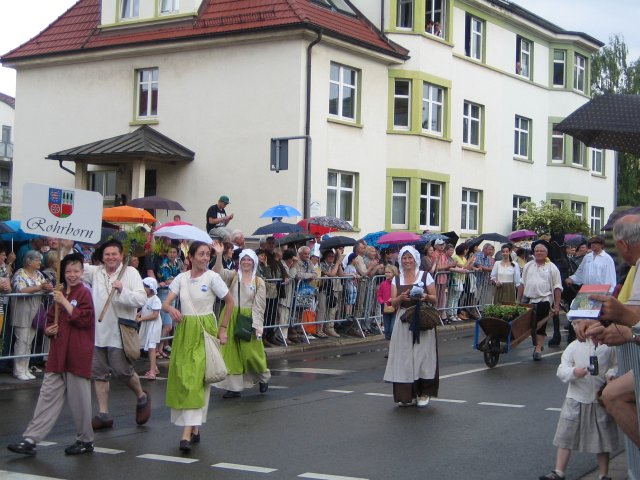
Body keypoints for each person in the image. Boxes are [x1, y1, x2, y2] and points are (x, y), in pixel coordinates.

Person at [7, 253, 95, 457]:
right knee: (47, 396)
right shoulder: (59, 292)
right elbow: (48, 320)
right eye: (68, 271)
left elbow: (85, 319)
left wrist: (64, 301)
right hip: (57, 352)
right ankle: (31, 439)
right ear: (63, 273)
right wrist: (48, 329)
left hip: (77, 352)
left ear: (82, 272)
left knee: (79, 400)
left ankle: (85, 439)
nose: (72, 275)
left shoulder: (83, 293)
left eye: (76, 271)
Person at [162, 240, 234, 453]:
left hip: (204, 329)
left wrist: (223, 328)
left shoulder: (212, 277)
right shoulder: (181, 278)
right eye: (201, 254)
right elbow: (167, 302)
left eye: (207, 254)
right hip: (185, 331)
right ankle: (194, 427)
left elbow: (229, 302)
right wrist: (170, 310)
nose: (205, 258)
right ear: (190, 257)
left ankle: (185, 435)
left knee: (195, 379)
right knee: (185, 378)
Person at [83, 239, 150, 430]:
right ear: (102, 257)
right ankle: (103, 413)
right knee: (99, 373)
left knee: (122, 371)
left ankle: (141, 395)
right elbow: (74, 267)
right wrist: (64, 246)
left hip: (120, 331)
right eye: (107, 254)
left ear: (121, 256)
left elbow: (141, 298)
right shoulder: (96, 272)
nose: (111, 257)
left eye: (114, 254)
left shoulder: (130, 272)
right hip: (98, 332)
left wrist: (122, 290)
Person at [539, 339, 617, 480]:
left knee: (602, 437)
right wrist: (573, 372)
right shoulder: (574, 346)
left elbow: (615, 365)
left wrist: (611, 374)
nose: (578, 326)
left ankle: (604, 474)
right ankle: (559, 472)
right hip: (575, 398)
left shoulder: (608, 346)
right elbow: (562, 370)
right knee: (565, 435)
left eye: (581, 323)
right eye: (575, 324)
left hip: (598, 399)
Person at [383, 246, 439, 407]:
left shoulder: (425, 276)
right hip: (404, 319)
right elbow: (392, 303)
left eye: (410, 258)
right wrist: (400, 297)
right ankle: (407, 395)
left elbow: (435, 299)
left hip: (422, 318)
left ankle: (424, 393)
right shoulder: (397, 279)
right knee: (404, 358)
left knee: (422, 356)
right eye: (404, 258)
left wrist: (425, 295)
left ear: (415, 259)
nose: (407, 261)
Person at [213, 247, 271, 398]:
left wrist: (258, 326)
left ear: (254, 263)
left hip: (247, 319)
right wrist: (219, 255)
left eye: (249, 260)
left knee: (251, 353)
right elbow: (218, 273)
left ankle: (263, 378)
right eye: (243, 259)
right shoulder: (232, 275)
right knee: (230, 354)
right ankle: (234, 388)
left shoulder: (259, 282)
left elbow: (259, 305)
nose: (246, 262)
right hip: (230, 316)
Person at [11, 250, 54, 380]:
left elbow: (45, 286)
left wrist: (47, 287)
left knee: (29, 341)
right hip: (23, 310)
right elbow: (20, 289)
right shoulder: (20, 273)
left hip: (36, 310)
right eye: (37, 260)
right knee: (22, 341)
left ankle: (25, 368)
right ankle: (18, 370)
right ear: (29, 261)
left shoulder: (39, 274)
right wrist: (39, 287)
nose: (40, 263)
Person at [517, 240, 562, 361]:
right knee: (531, 325)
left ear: (546, 253)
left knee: (540, 325)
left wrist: (556, 305)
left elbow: (557, 287)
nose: (539, 253)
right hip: (531, 300)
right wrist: (518, 300)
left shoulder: (552, 268)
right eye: (537, 251)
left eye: (541, 251)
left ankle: (538, 349)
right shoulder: (528, 266)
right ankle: (538, 345)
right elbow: (522, 283)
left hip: (545, 299)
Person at [156, 244, 184, 358]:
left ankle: (163, 347)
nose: (172, 254)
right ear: (167, 253)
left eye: (174, 252)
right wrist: (177, 279)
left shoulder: (177, 263)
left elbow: (181, 275)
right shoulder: (164, 264)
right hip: (164, 293)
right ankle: (159, 349)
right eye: (170, 252)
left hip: (173, 293)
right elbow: (168, 280)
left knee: (169, 324)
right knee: (167, 325)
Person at [138, 277, 162, 380]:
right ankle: (154, 367)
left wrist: (141, 319)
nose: (143, 288)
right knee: (148, 347)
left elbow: (155, 315)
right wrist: (138, 314)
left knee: (152, 347)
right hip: (147, 324)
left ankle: (152, 371)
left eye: (145, 287)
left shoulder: (156, 300)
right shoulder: (145, 298)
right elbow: (143, 310)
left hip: (154, 325)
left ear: (151, 288)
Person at [377, 264, 398, 341]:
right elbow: (379, 295)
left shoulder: (397, 283)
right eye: (386, 272)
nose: (387, 274)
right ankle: (389, 349)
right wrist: (383, 302)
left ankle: (394, 347)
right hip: (386, 309)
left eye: (389, 272)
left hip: (395, 309)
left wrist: (393, 299)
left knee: (392, 328)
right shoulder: (383, 284)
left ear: (394, 273)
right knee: (387, 330)